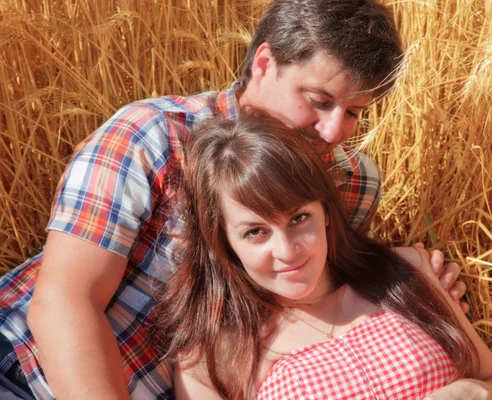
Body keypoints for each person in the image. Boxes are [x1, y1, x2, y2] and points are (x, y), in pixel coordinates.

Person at [0, 0, 466, 398]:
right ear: (264, 64)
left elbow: (308, 295)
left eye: (354, 113)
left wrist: (415, 290)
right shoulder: (153, 135)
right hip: (25, 371)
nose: (333, 132)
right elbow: (64, 301)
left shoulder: (352, 181)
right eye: (319, 100)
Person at [155, 112, 492, 400]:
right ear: (224, 241)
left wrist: (471, 392)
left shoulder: (408, 273)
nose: (286, 250)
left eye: (299, 219)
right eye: (255, 232)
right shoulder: (212, 362)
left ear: (326, 212)